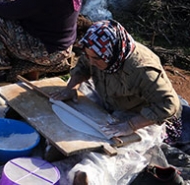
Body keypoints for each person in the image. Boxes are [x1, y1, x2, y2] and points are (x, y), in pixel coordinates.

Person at [51, 20, 182, 141]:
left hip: (137, 112)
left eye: (96, 59)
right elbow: (83, 66)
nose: (91, 61)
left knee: (110, 144)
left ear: (111, 54)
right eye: (88, 56)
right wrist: (71, 87)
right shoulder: (97, 50)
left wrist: (131, 125)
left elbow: (168, 104)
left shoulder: (142, 71)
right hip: (109, 96)